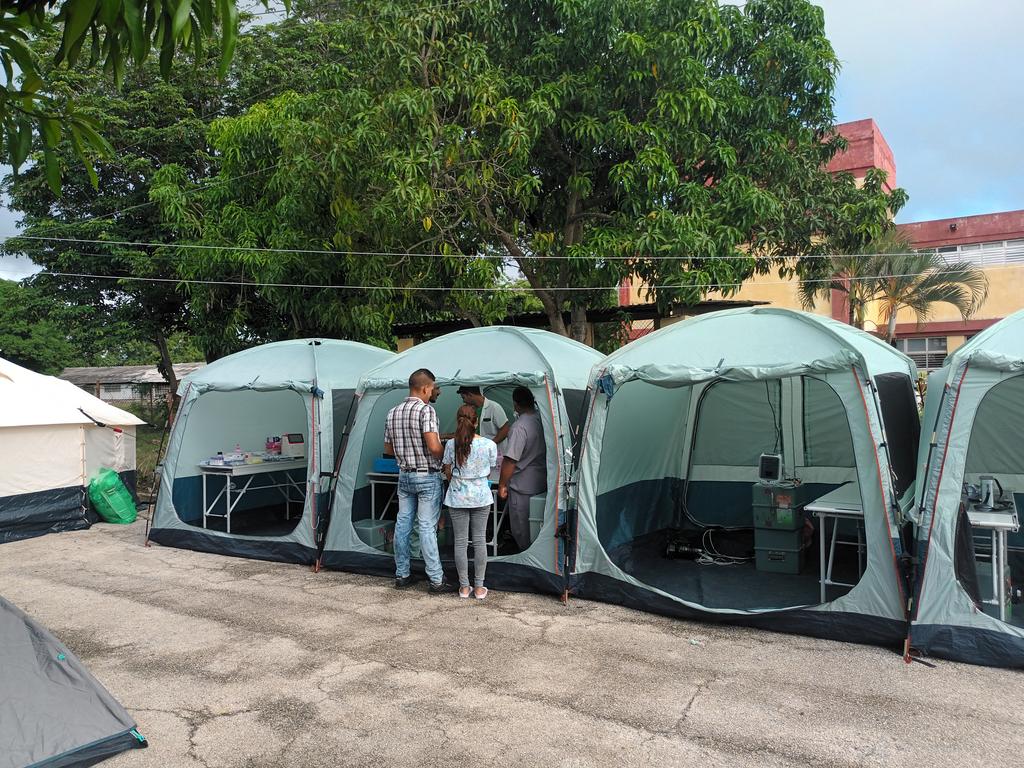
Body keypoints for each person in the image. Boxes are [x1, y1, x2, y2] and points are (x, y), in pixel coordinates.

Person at [383, 368, 454, 593]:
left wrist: (408, 454)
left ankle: (402, 574)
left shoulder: (392, 412)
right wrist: (448, 457)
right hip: (427, 476)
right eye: (433, 388)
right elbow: (433, 447)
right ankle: (436, 579)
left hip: (404, 475)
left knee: (403, 524)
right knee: (426, 527)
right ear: (425, 388)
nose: (435, 392)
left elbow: (387, 449)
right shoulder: (427, 411)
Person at [442, 404, 498, 599]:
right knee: (480, 540)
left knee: (460, 542)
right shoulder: (489, 445)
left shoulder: (450, 444)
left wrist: (457, 482)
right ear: (476, 422)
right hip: (481, 496)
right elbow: (490, 470)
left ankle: (464, 587)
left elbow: (447, 470)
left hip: (457, 496)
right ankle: (480, 587)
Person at [498, 387, 547, 551]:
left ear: (515, 404)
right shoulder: (542, 419)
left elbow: (511, 460)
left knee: (522, 529)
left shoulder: (520, 427)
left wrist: (502, 484)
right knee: (538, 525)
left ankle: (525, 559)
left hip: (523, 485)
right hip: (542, 481)